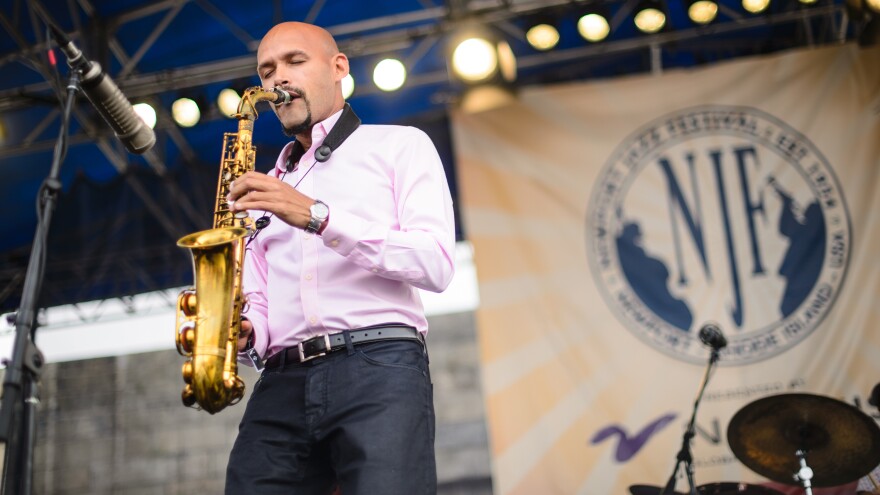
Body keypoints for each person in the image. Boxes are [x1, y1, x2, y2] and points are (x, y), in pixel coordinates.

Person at [222, 21, 456, 495]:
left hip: (380, 366)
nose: (278, 80)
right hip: (280, 381)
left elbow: (434, 263)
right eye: (267, 70)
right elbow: (261, 306)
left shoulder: (399, 145)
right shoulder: (262, 187)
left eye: (294, 61)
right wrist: (245, 331)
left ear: (338, 68)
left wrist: (316, 216)